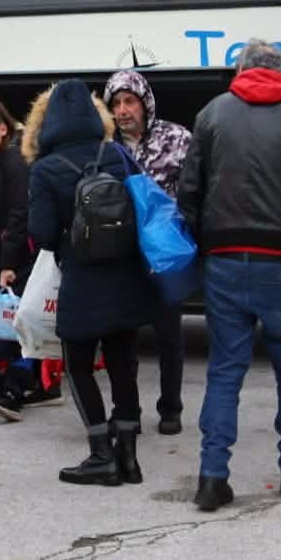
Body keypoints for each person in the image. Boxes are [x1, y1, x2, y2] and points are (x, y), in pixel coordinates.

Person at [178, 39, 281, 512]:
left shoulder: (212, 114)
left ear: (241, 71)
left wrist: (198, 247)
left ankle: (212, 478)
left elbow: (189, 190)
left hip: (226, 260)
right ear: (280, 72)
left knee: (224, 371)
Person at [26, 80, 158, 486]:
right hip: (127, 278)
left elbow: (42, 234)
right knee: (123, 366)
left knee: (79, 367)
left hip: (81, 281)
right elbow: (144, 205)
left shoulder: (46, 169)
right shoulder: (118, 154)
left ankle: (101, 455)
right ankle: (130, 458)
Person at [104, 69, 193, 436]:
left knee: (169, 334)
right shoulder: (105, 145)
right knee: (122, 337)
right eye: (116, 103)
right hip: (121, 255)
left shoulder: (177, 138)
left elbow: (197, 190)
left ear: (145, 103)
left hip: (163, 254)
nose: (123, 110)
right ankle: (127, 411)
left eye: (130, 101)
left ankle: (171, 408)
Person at [0, 98, 59, 421]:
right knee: (19, 323)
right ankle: (41, 387)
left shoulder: (15, 163)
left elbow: (20, 214)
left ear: (2, 131)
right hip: (7, 254)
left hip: (24, 257)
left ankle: (14, 393)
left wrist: (8, 263)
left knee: (20, 325)